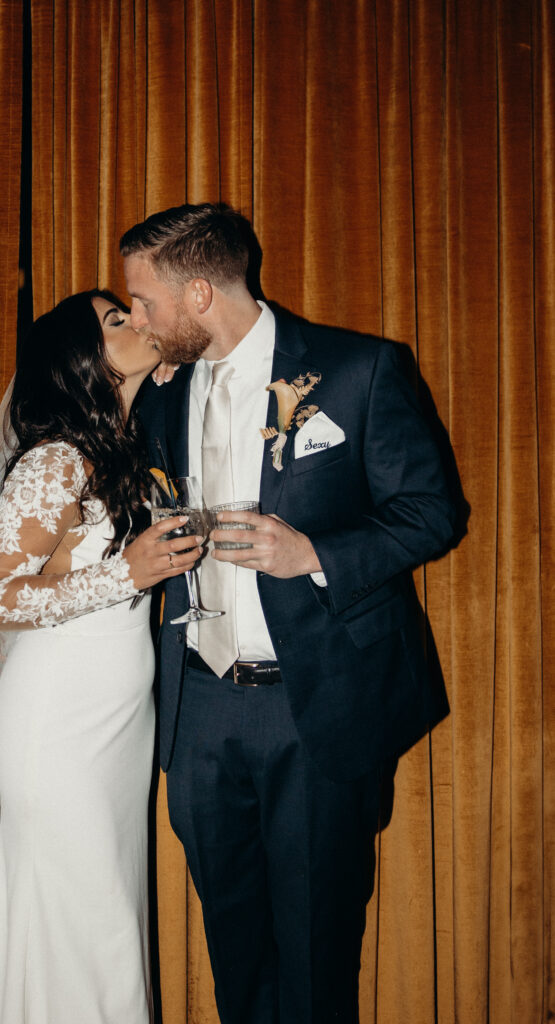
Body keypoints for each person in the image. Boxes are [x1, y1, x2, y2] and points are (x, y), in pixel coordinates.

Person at [120, 203, 456, 1023]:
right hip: (196, 708)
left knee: (315, 946)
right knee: (233, 945)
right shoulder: (159, 394)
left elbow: (432, 511)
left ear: (198, 294)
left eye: (145, 302)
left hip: (317, 706)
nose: (136, 319)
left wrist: (311, 555)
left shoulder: (357, 369)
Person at [0, 290, 202, 1024]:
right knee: (83, 916)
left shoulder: (117, 452)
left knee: (91, 909)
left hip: (114, 722)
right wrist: (130, 572)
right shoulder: (56, 460)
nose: (136, 323)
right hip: (59, 726)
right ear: (81, 358)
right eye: (115, 321)